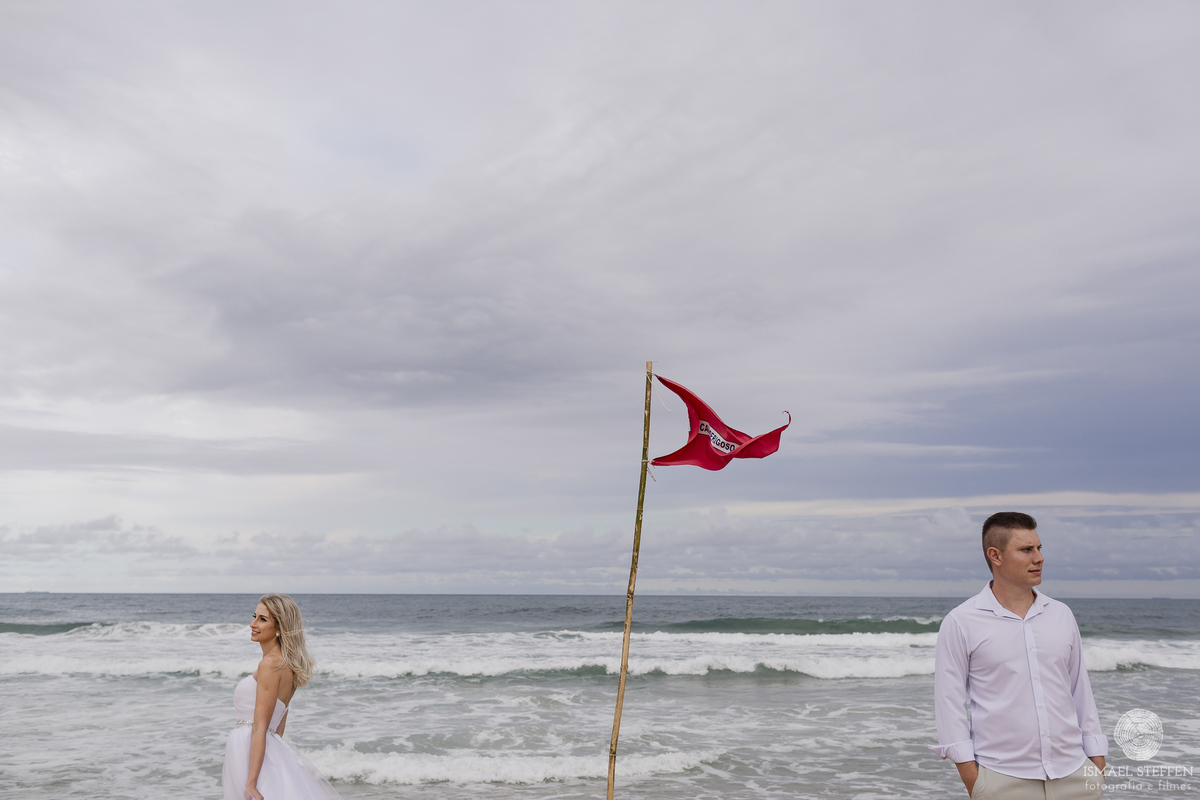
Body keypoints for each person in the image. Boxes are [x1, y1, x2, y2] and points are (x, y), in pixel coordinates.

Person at [931, 512, 1107, 799]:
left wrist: (1096, 759)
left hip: (1075, 774)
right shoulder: (961, 621)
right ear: (995, 556)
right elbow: (949, 703)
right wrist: (973, 778)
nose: (1039, 558)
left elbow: (1079, 689)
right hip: (1002, 779)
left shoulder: (1061, 614)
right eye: (1026, 550)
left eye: (1039, 548)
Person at [222, 593, 343, 800]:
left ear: (279, 627)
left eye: (262, 619)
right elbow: (278, 725)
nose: (253, 624)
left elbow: (260, 726)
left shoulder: (269, 664)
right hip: (266, 752)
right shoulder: (288, 665)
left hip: (251, 752)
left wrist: (252, 782)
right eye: (254, 616)